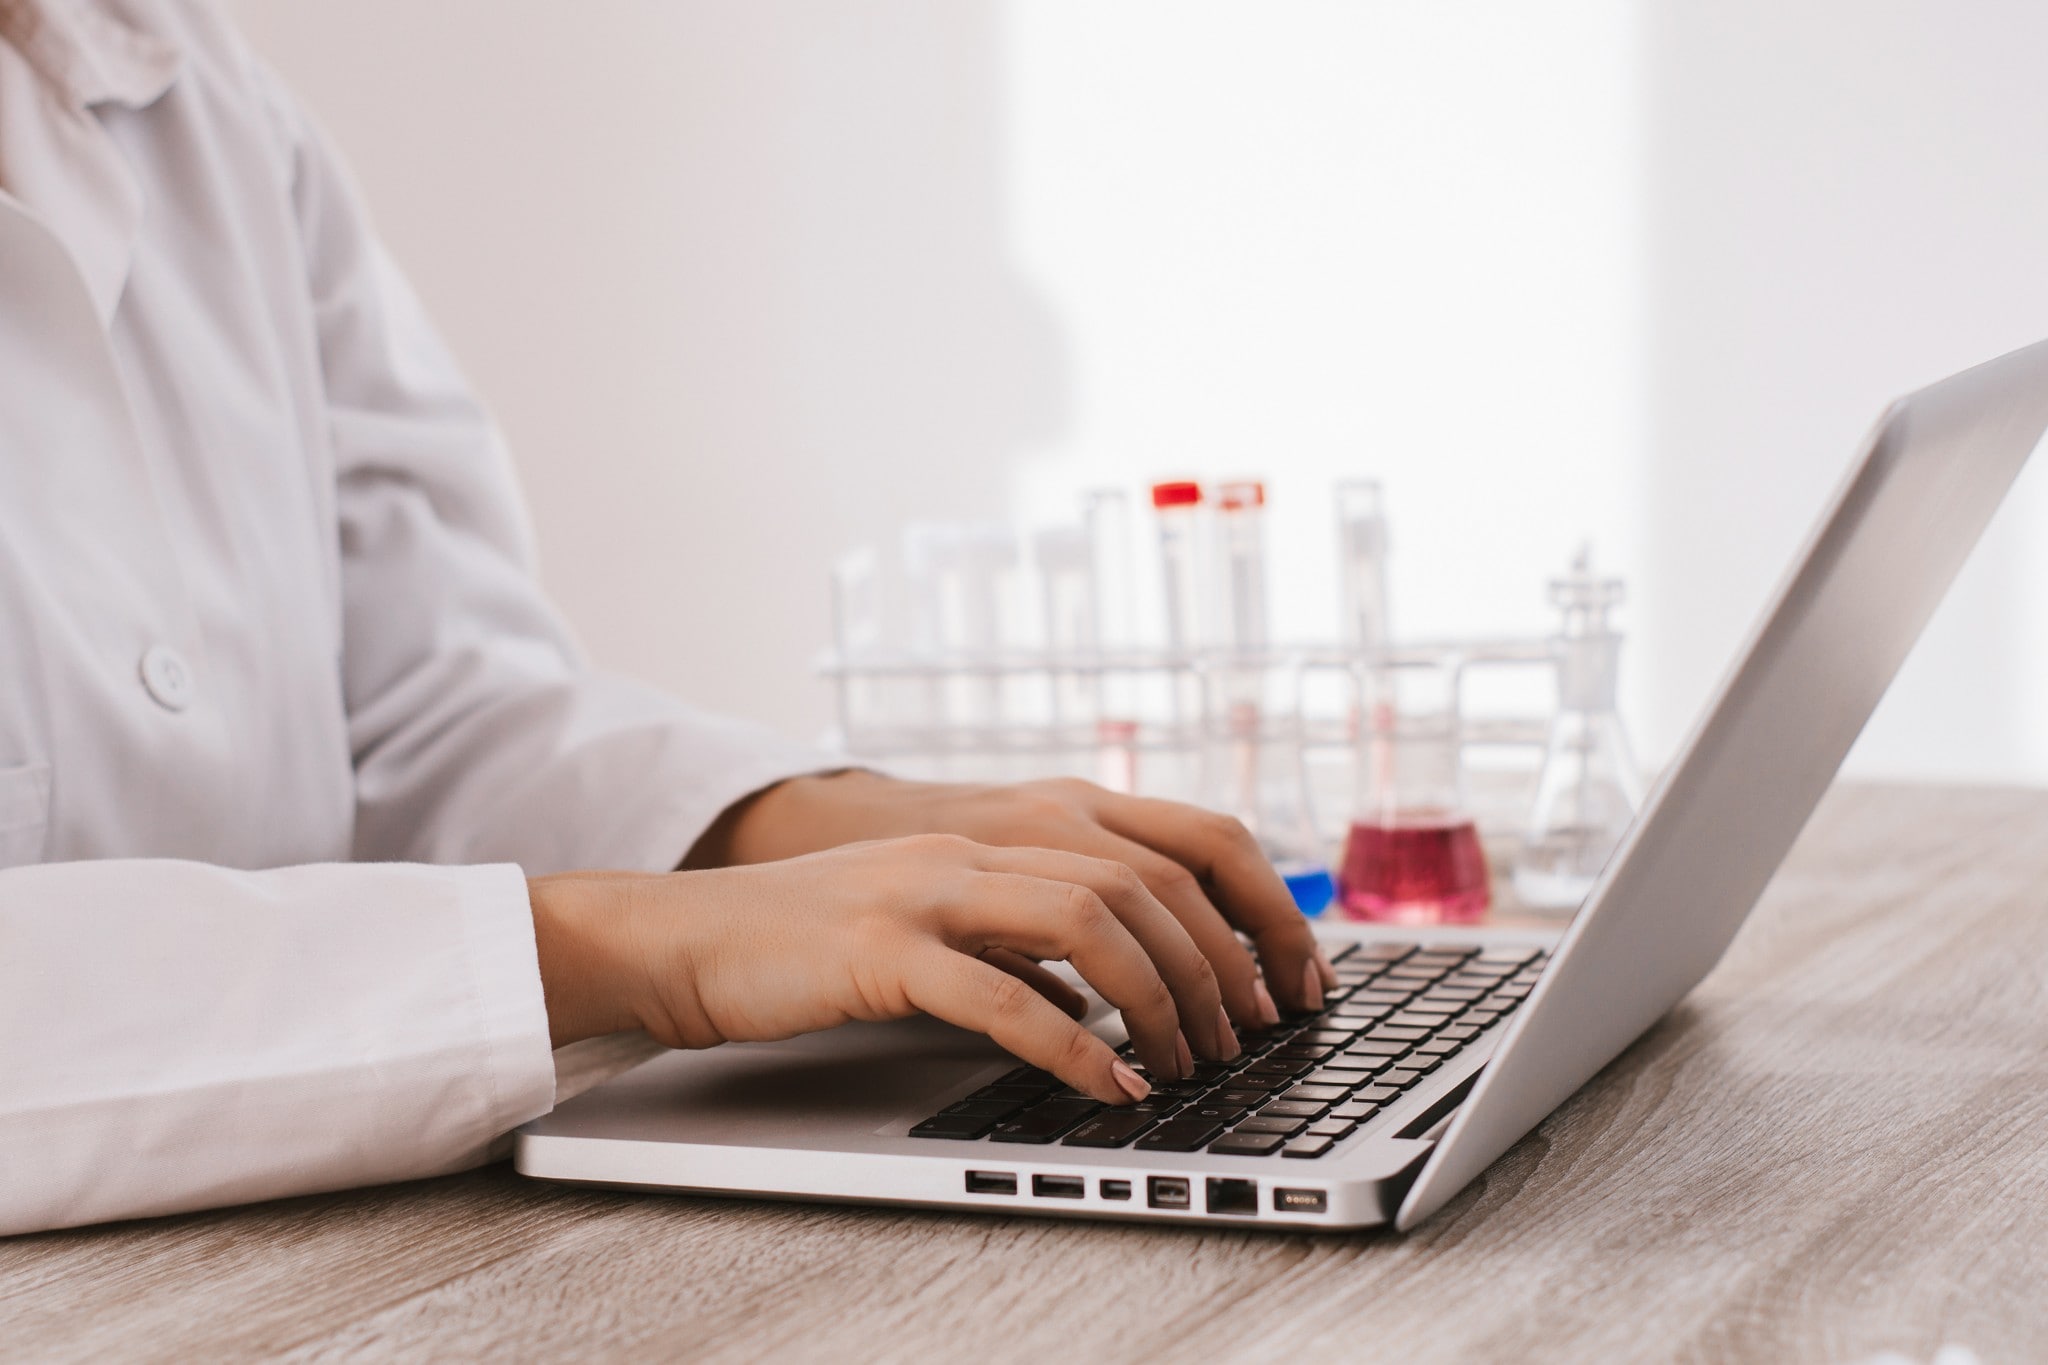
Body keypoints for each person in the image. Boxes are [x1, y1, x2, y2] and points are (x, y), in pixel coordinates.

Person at [0, 0, 1333, 1238]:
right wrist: (625, 949)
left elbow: (427, 700)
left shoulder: (183, 80)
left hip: (339, 1236)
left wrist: (834, 830)